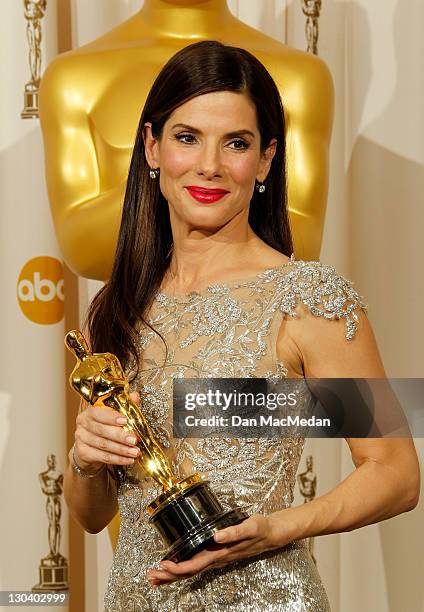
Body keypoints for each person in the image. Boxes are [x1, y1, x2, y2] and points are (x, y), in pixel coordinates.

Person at [63, 41, 420, 611]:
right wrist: (83, 459)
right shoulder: (118, 304)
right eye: (187, 138)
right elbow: (91, 516)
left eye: (236, 143)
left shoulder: (308, 299)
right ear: (152, 148)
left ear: (265, 160)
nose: (209, 165)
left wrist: (280, 527)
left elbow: (396, 473)